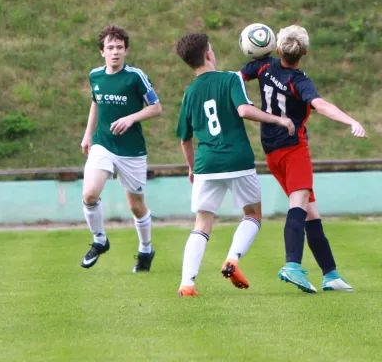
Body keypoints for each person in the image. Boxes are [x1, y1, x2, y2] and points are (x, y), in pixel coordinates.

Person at [239, 25, 367, 293]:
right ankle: (292, 266)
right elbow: (320, 105)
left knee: (311, 213)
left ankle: (331, 274)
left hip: (272, 152)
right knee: (299, 205)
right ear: (304, 52)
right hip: (294, 148)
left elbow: (236, 78)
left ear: (276, 48)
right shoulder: (300, 81)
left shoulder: (263, 66)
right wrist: (351, 121)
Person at [175, 32, 295, 297]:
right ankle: (232, 258)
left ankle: (187, 284)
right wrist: (278, 120)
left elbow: (185, 140)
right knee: (252, 214)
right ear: (208, 54)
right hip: (237, 160)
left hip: (206, 164)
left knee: (202, 224)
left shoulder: (189, 94)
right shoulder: (230, 78)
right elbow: (243, 110)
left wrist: (192, 168)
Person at [80, 24, 162, 272]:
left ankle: (146, 249)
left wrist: (132, 118)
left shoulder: (135, 77)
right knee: (89, 195)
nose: (114, 52)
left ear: (126, 51)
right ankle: (99, 240)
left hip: (131, 150)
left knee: (136, 206)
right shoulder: (95, 76)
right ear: (102, 52)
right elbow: (96, 104)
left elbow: (156, 108)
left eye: (119, 47)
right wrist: (88, 135)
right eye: (110, 47)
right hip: (103, 145)